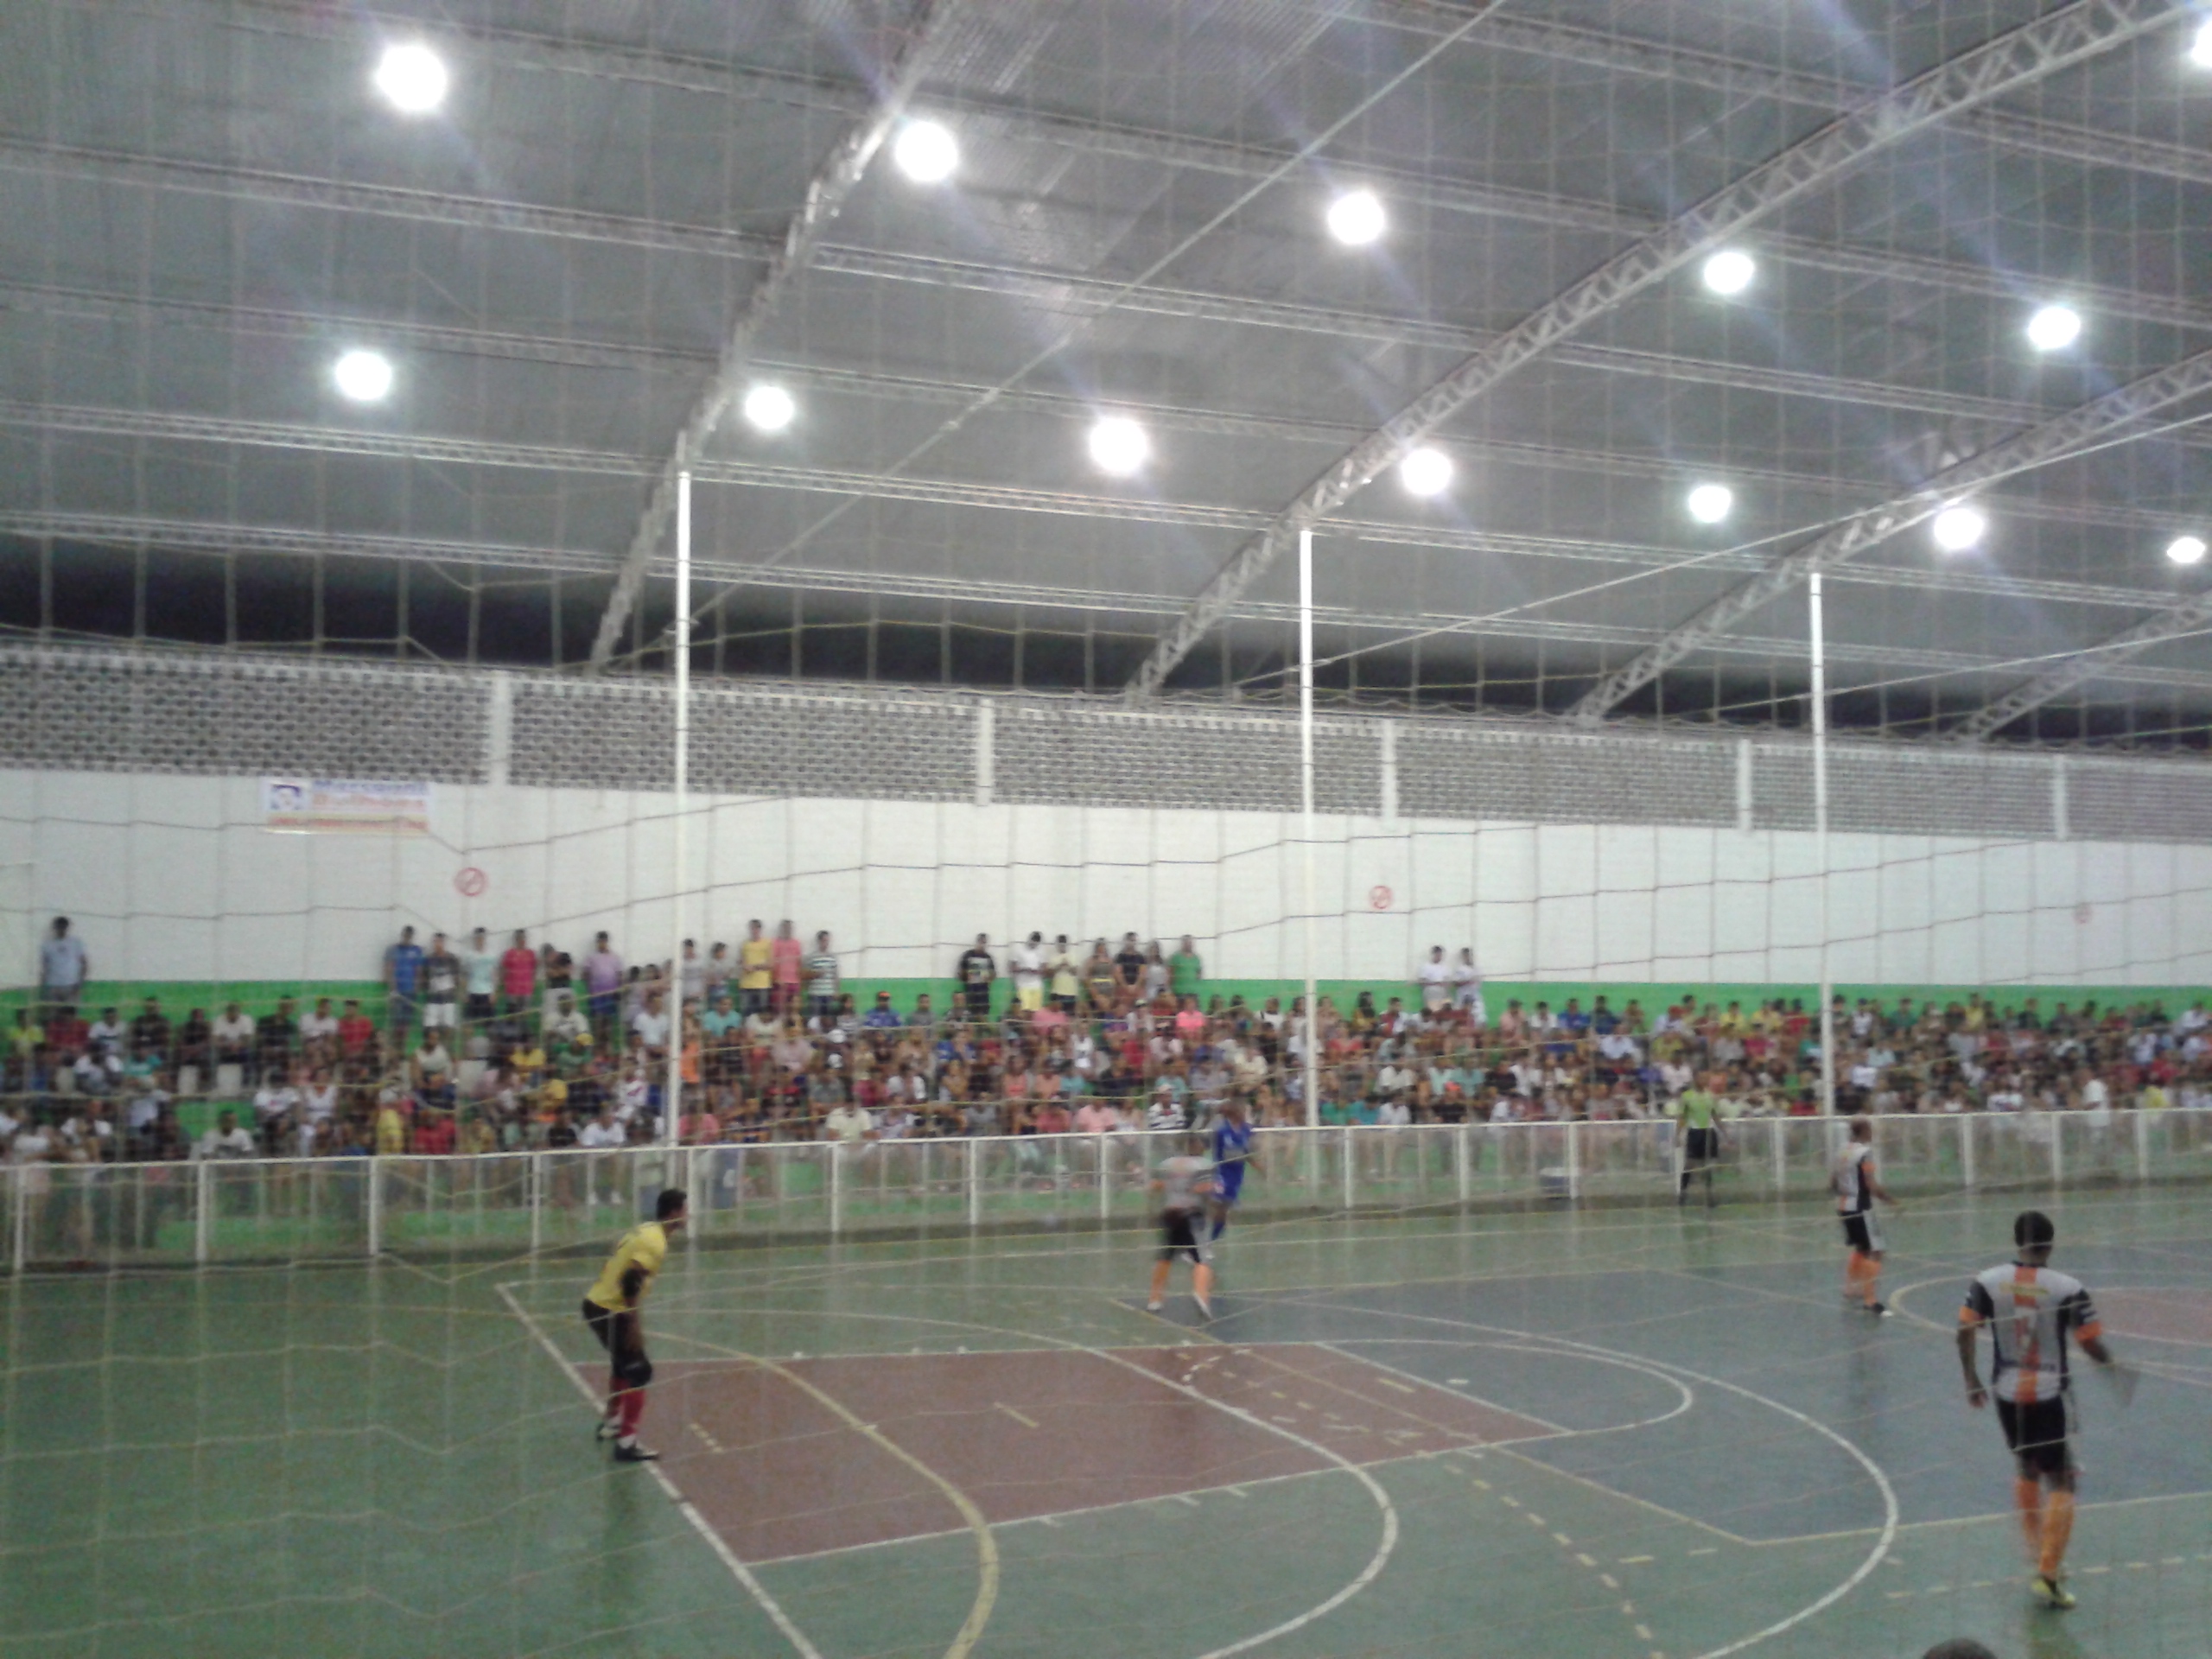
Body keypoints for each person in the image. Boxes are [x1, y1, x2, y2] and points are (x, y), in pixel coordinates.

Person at [1956, 1210, 2126, 1611]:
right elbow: (2090, 1343)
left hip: (2006, 1392)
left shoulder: (1987, 1281)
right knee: (2063, 1479)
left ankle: (2036, 1551)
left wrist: (1970, 1378)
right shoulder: (2067, 1287)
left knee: (2026, 1466)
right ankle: (2048, 1573)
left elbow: (1964, 1329)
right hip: (2048, 1394)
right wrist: (2113, 1366)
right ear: (2051, 1244)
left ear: (2017, 1241)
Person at [582, 1188, 688, 1463]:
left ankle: (611, 1423)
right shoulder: (656, 1242)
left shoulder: (647, 1230)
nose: (688, 1215)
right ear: (675, 1213)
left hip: (596, 1304)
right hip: (609, 1310)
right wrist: (634, 1325)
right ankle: (627, 1443)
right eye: (685, 1210)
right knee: (640, 1371)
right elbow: (630, 1280)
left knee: (622, 1364)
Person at [1834, 1116, 1903, 1316]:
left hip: (1844, 1206)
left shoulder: (1842, 1151)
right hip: (1861, 1208)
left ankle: (1850, 1288)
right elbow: (1870, 1184)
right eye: (1870, 1129)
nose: (1872, 1133)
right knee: (1876, 1250)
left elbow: (1832, 1181)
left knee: (1860, 1247)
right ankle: (1870, 1301)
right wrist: (1891, 1201)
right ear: (1863, 1131)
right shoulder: (1865, 1154)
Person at [1147, 1132, 1217, 1319]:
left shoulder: (1166, 1165)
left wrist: (1172, 1185)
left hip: (1170, 1214)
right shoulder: (1203, 1165)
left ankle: (1155, 1298)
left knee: (1165, 1256)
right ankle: (1201, 1295)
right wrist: (1215, 1187)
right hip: (1191, 1214)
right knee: (1202, 1259)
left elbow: (1155, 1185)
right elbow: (1203, 1188)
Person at [1208, 1096, 1254, 1242]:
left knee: (1223, 1211)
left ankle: (1208, 1241)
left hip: (1236, 1176)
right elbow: (1220, 1152)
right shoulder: (1222, 1131)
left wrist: (1260, 1166)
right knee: (1218, 1205)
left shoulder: (1246, 1130)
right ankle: (1199, 1240)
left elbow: (1248, 1152)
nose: (1244, 1114)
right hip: (1221, 1173)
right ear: (1235, 1113)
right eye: (1242, 1111)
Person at [1675, 1071, 1721, 1208]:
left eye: (1706, 1078)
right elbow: (1682, 1117)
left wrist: (1725, 1133)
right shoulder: (1687, 1096)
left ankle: (1709, 1196)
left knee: (1708, 1165)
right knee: (1690, 1164)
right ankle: (1683, 1194)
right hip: (1694, 1132)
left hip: (1708, 1131)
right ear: (1695, 1080)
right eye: (1701, 1078)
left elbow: (1715, 1115)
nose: (1704, 1081)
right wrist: (1677, 1135)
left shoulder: (1710, 1096)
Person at [40, 916, 87, 1017]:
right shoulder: (47, 944)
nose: (61, 929)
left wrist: (79, 985)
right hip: (53, 986)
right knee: (53, 1017)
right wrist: (44, 986)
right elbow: (45, 966)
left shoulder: (76, 942)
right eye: (58, 927)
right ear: (55, 928)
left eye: (63, 927)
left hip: (72, 985)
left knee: (71, 1017)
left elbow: (84, 963)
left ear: (67, 927)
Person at [957, 934, 996, 1021]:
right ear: (977, 942)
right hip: (971, 991)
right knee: (970, 1015)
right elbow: (960, 974)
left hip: (983, 992)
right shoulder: (967, 955)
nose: (983, 945)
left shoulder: (988, 957)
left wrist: (988, 978)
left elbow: (994, 975)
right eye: (981, 942)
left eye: (985, 943)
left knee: (983, 1015)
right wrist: (967, 975)